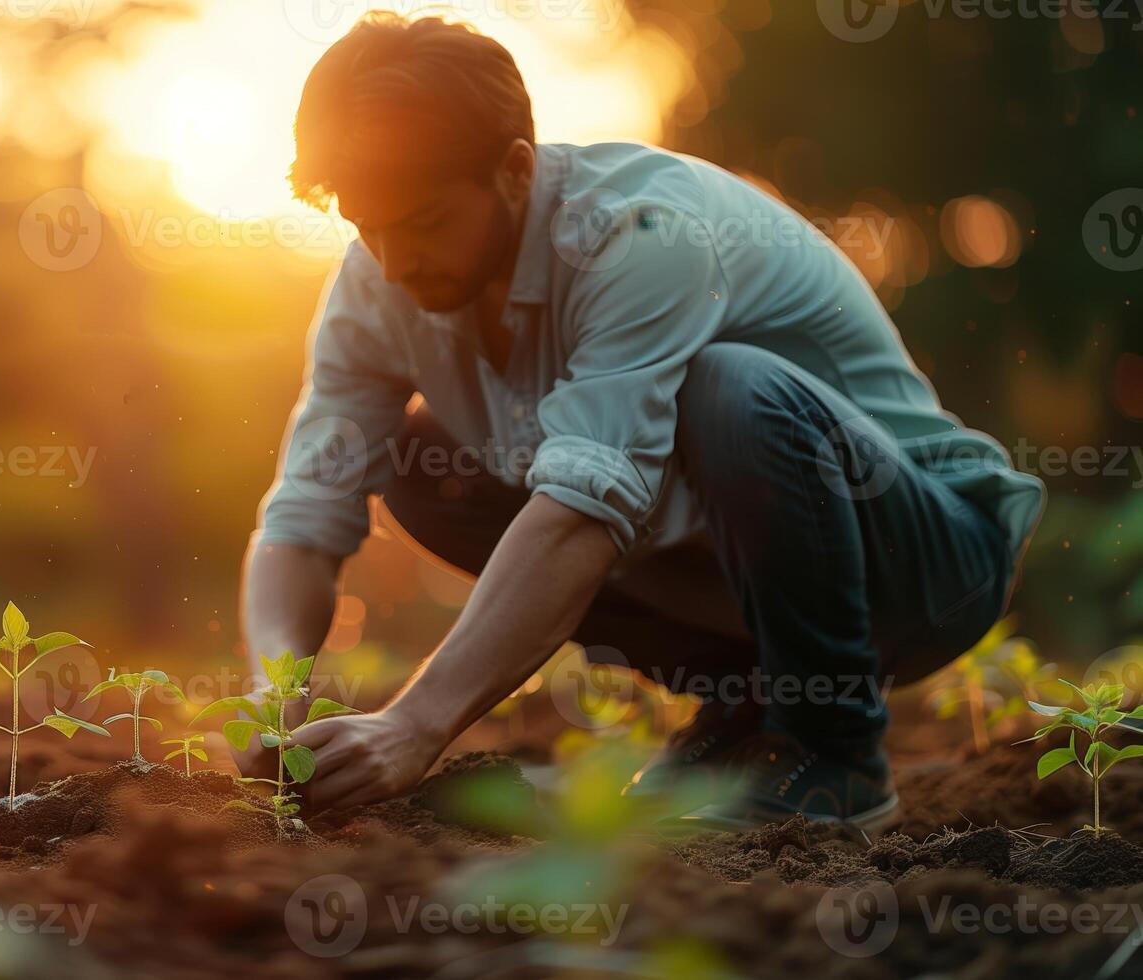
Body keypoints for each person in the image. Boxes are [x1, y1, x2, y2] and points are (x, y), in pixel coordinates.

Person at [235, 12, 1045, 831]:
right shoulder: (378, 281)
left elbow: (584, 512)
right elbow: (305, 513)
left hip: (928, 564)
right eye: (366, 226)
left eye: (424, 223)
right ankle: (741, 709)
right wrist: (275, 694)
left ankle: (832, 752)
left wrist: (414, 724)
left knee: (728, 386)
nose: (392, 260)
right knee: (418, 465)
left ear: (514, 171)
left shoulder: (641, 232)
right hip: (732, 576)